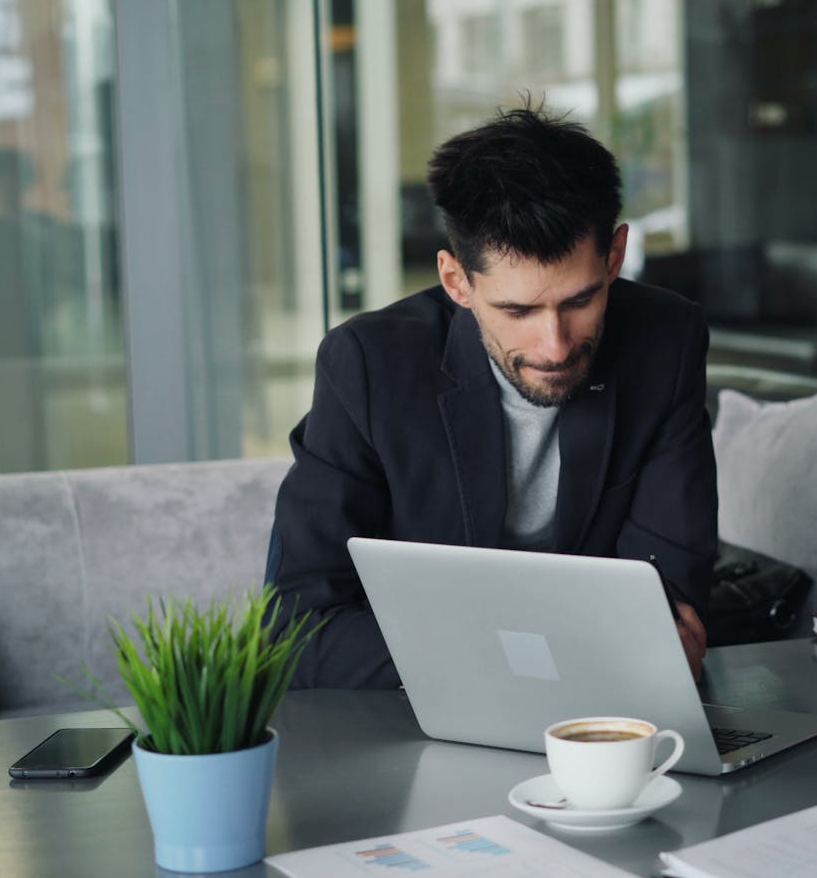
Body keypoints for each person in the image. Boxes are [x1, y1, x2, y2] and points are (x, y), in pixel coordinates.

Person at [267, 107, 717, 689]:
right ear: (457, 282)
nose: (554, 346)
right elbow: (298, 627)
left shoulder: (666, 341)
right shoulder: (367, 367)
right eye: (517, 310)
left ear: (614, 258)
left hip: (605, 718)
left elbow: (670, 607)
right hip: (428, 715)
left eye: (580, 301)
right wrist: (531, 653)